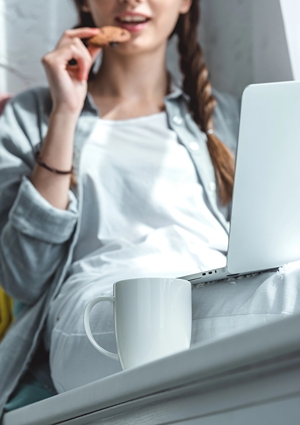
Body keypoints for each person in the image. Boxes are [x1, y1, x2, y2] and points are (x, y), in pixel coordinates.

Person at [0, 0, 242, 415]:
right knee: (149, 342)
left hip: (213, 291)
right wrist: (65, 112)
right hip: (100, 304)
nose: (132, 1)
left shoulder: (228, 117)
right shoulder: (32, 115)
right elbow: (24, 277)